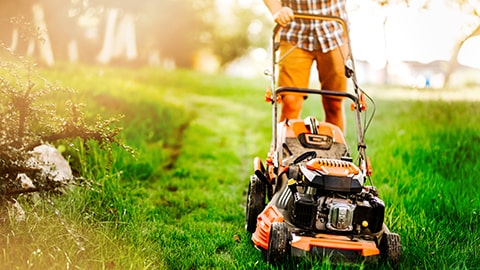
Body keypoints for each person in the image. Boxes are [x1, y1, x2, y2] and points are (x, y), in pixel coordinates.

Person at [262, 0, 349, 131]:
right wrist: (277, 10)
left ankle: (337, 150)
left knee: (334, 102)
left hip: (333, 31)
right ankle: (281, 150)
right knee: (291, 101)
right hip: (294, 30)